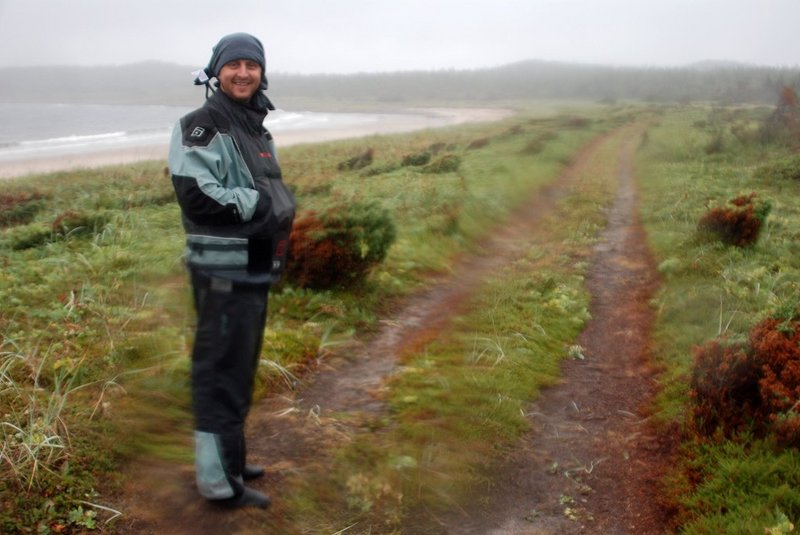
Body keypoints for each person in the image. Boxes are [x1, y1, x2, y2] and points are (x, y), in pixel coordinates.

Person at [167, 32, 295, 509]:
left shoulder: (254, 126)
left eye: (252, 65)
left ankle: (232, 459)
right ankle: (218, 486)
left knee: (238, 371)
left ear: (262, 73)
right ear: (215, 71)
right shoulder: (200, 125)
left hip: (252, 269)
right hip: (222, 273)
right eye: (234, 64)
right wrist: (262, 202)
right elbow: (196, 195)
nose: (243, 73)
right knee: (219, 373)